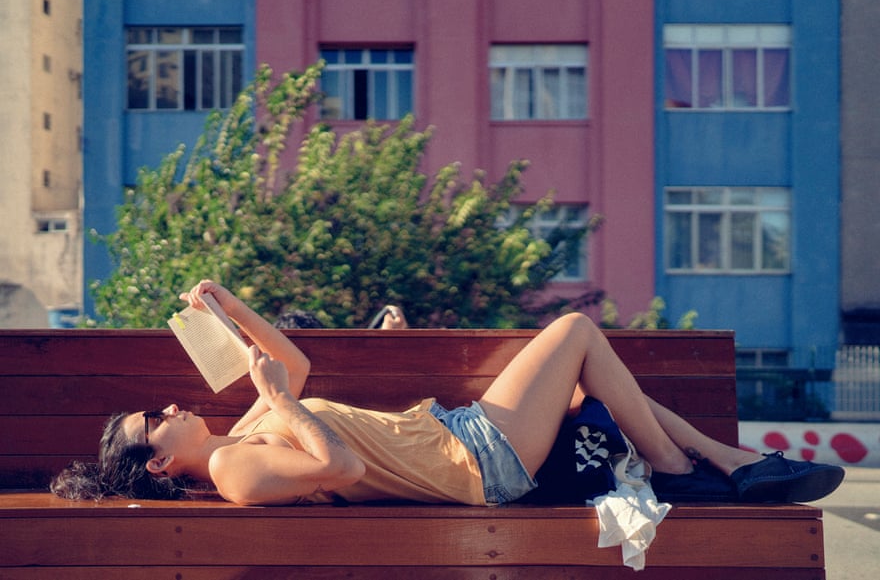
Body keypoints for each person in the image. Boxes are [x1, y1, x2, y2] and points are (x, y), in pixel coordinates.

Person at [51, 280, 844, 506]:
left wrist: (225, 306)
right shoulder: (236, 473)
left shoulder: (242, 428)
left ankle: (727, 462)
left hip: (465, 432)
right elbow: (344, 471)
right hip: (478, 462)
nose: (167, 408)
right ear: (158, 465)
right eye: (151, 422)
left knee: (587, 381)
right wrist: (284, 406)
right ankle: (689, 467)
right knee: (573, 334)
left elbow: (290, 359)